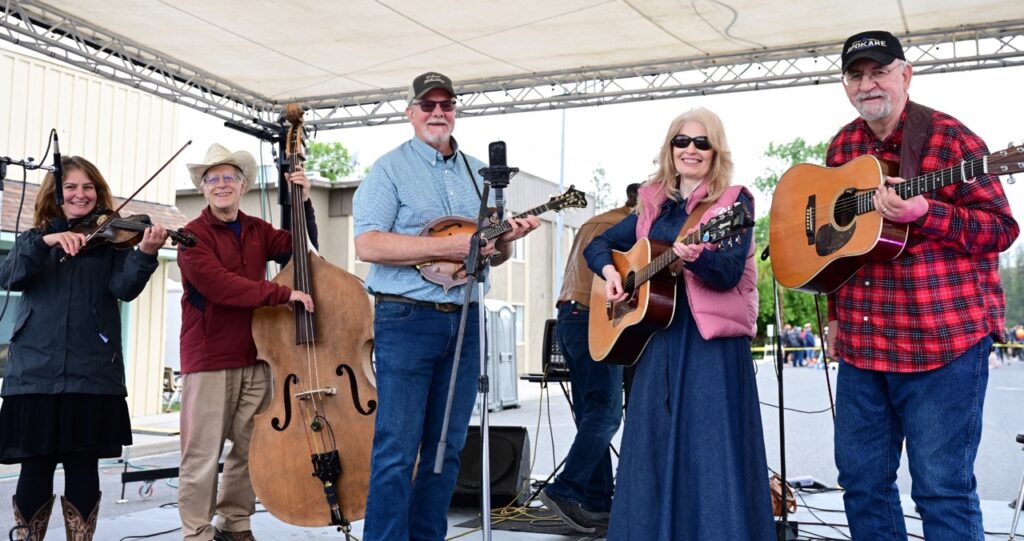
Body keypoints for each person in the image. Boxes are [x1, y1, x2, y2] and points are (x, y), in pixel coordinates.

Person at [825, 30, 1019, 540]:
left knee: (942, 488)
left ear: (905, 75)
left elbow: (1001, 229)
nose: (868, 84)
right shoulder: (842, 145)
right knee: (862, 483)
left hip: (941, 343)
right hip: (863, 343)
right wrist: (833, 319)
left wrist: (926, 213)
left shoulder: (952, 139)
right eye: (856, 74)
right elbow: (832, 247)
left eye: (879, 71)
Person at [352, 71, 540, 540]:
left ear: (455, 110)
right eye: (428, 105)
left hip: (466, 316)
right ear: (410, 112)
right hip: (406, 317)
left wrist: (506, 240)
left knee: (447, 447)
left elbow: (492, 250)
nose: (439, 113)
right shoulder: (389, 169)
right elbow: (368, 245)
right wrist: (450, 247)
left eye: (447, 104)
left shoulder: (480, 171)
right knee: (397, 448)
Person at [584, 107, 774, 539]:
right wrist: (613, 274)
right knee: (649, 448)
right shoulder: (653, 202)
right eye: (682, 141)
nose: (691, 149)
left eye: (702, 142)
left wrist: (696, 258)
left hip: (708, 344)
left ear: (715, 151)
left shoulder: (733, 202)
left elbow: (727, 272)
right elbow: (598, 245)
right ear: (670, 149)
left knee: (710, 453)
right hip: (656, 341)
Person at [0, 156, 169, 541]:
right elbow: (10, 276)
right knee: (34, 467)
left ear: (98, 192)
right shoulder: (33, 239)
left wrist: (145, 255)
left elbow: (123, 290)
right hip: (35, 376)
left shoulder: (113, 242)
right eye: (71, 187)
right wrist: (46, 242)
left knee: (82, 467)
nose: (80, 194)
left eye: (88, 187)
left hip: (91, 372)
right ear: (55, 194)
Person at [176, 144, 316, 541]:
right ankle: (196, 532)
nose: (221, 185)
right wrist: (280, 294)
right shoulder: (191, 235)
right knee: (202, 454)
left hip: (257, 355)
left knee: (248, 450)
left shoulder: (257, 229)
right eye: (213, 179)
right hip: (209, 357)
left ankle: (235, 523)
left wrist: (302, 204)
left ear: (242, 186)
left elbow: (300, 250)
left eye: (229, 178)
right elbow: (219, 286)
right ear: (203, 189)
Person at [539, 183, 639, 533]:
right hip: (593, 317)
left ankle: (596, 501)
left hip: (568, 318)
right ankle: (566, 490)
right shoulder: (634, 227)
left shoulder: (595, 222)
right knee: (608, 413)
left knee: (591, 413)